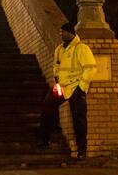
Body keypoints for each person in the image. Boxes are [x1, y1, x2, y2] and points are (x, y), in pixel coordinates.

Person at [37, 20, 99, 158]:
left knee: (79, 119)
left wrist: (81, 87)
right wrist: (57, 81)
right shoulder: (59, 49)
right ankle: (44, 140)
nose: (60, 34)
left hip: (76, 87)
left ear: (70, 33)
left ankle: (82, 150)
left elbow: (90, 69)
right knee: (47, 106)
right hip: (62, 87)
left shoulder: (81, 48)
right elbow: (56, 66)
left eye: (63, 32)